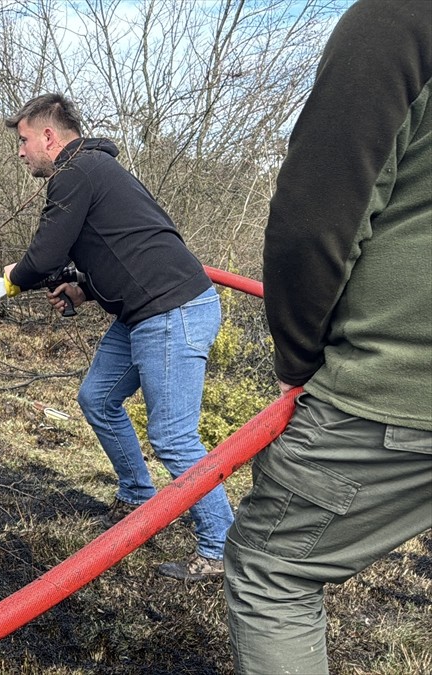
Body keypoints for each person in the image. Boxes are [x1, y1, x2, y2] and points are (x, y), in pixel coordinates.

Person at [223, 1, 432, 672]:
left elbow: (312, 224)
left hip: (397, 386)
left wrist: (299, 358)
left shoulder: (399, 16)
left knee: (270, 567)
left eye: (24, 140)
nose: (22, 151)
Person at [2, 93, 233, 580]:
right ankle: (137, 497)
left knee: (172, 437)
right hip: (144, 313)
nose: (20, 152)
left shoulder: (75, 173)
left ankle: (219, 548)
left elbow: (42, 257)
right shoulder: (92, 171)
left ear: (49, 136)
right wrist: (82, 289)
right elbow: (120, 246)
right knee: (97, 398)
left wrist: (15, 275)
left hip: (172, 312)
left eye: (23, 141)